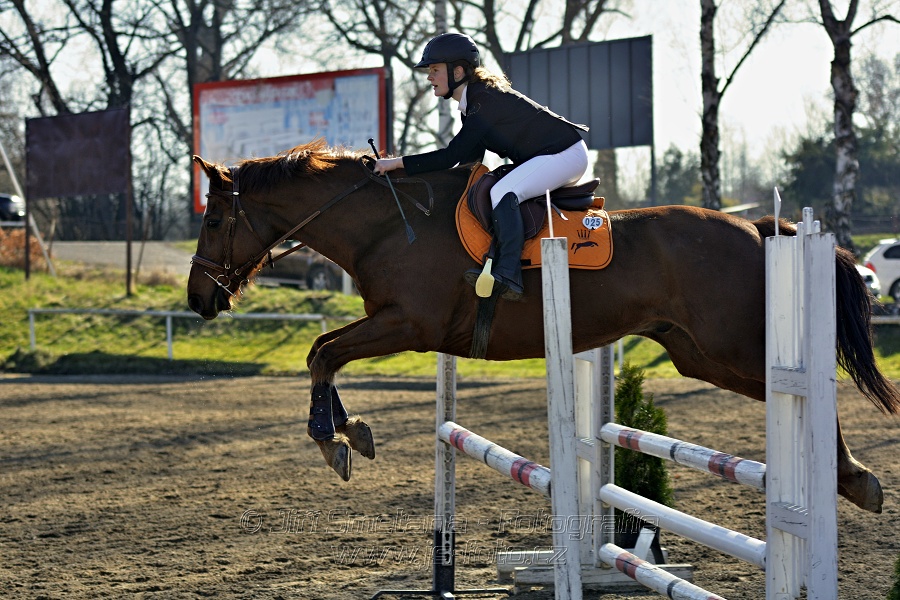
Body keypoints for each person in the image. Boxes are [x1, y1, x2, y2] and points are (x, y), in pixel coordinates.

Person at [374, 32, 590, 300]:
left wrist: (396, 164)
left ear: (459, 71)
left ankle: (509, 273)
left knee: (502, 192)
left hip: (565, 154)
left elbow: (449, 156)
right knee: (490, 188)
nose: (429, 76)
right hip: (553, 155)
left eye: (434, 69)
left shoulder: (484, 100)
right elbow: (468, 163)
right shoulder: (474, 104)